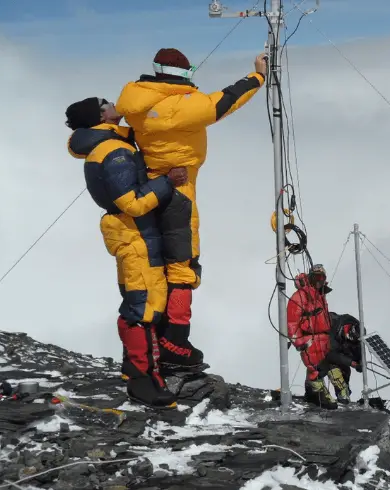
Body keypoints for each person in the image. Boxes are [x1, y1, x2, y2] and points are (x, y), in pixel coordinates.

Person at [114, 48, 267, 370]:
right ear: (184, 74)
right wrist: (258, 76)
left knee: (154, 262)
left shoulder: (134, 99)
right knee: (183, 264)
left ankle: (153, 336)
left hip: (148, 185)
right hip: (179, 190)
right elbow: (224, 101)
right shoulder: (182, 105)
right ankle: (176, 341)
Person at [65, 96, 188, 409]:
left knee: (141, 299)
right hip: (135, 233)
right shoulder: (114, 150)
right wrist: (167, 182)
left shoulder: (108, 144)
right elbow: (131, 202)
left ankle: (133, 370)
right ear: (100, 116)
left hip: (133, 233)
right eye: (106, 102)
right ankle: (142, 382)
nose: (113, 103)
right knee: (142, 306)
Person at [287, 264, 338, 409]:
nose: (319, 280)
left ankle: (312, 394)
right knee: (314, 368)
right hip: (309, 338)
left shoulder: (319, 294)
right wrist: (298, 341)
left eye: (322, 277)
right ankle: (319, 397)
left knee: (325, 366)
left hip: (323, 337)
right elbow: (292, 322)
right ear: (310, 277)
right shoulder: (300, 296)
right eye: (316, 276)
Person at [315, 312, 363, 404]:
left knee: (343, 373)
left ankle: (343, 395)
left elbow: (358, 352)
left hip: (340, 357)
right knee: (323, 371)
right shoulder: (331, 324)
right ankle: (318, 396)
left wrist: (360, 363)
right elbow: (330, 354)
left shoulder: (356, 339)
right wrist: (352, 363)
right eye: (349, 337)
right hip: (322, 354)